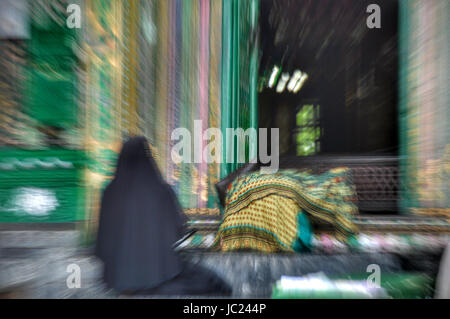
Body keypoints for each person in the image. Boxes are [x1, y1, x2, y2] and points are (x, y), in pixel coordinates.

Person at [95, 136, 231, 296]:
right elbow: (178, 230)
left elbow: (102, 239)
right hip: (158, 273)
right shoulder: (161, 191)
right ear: (149, 158)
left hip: (118, 278)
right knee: (212, 282)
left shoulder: (110, 192)